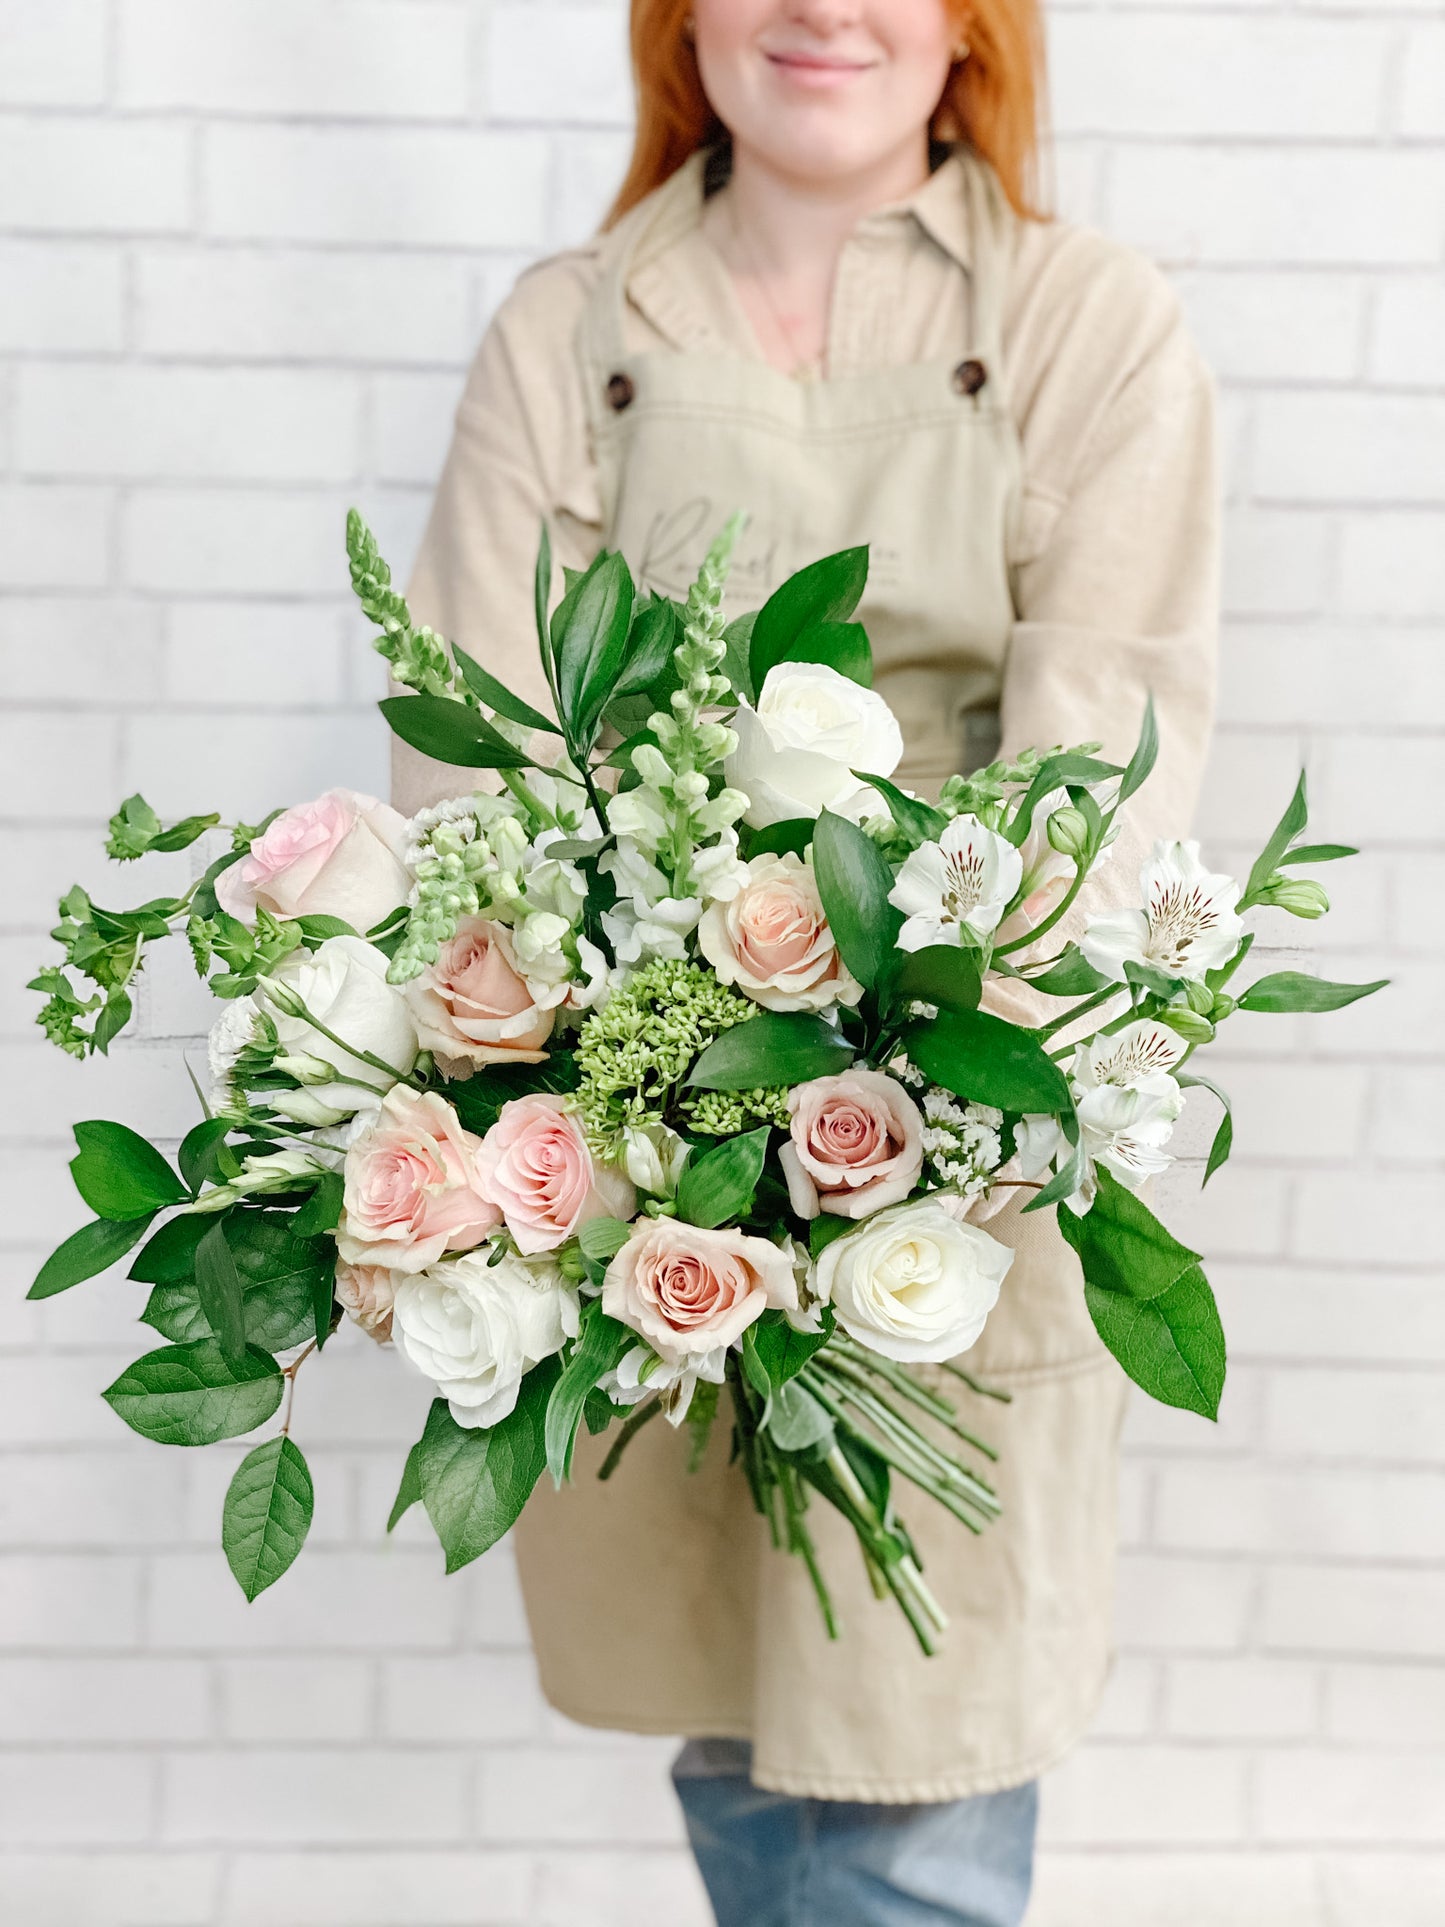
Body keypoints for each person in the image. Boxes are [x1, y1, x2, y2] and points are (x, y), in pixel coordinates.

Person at [396, 1, 1218, 1919]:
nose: (821, 9)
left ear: (968, 25)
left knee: (914, 1767)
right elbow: (475, 748)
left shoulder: (1083, 321)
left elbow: (1102, 760)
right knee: (732, 1724)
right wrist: (632, 1070)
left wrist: (903, 1086)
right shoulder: (571, 330)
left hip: (958, 1116)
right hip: (640, 1130)